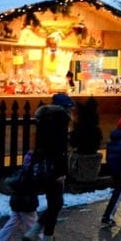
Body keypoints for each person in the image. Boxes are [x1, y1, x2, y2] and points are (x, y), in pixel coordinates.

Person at [23, 93, 74, 241]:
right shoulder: (60, 121)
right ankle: (38, 233)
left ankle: (43, 235)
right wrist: (61, 172)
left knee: (55, 203)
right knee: (56, 203)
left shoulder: (45, 119)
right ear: (64, 108)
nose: (71, 111)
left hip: (44, 167)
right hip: (53, 169)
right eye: (69, 107)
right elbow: (58, 149)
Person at [0, 152, 39, 241]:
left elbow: (9, 181)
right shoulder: (32, 173)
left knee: (11, 224)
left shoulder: (20, 171)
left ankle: (1, 238)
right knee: (34, 225)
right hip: (27, 204)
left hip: (16, 202)